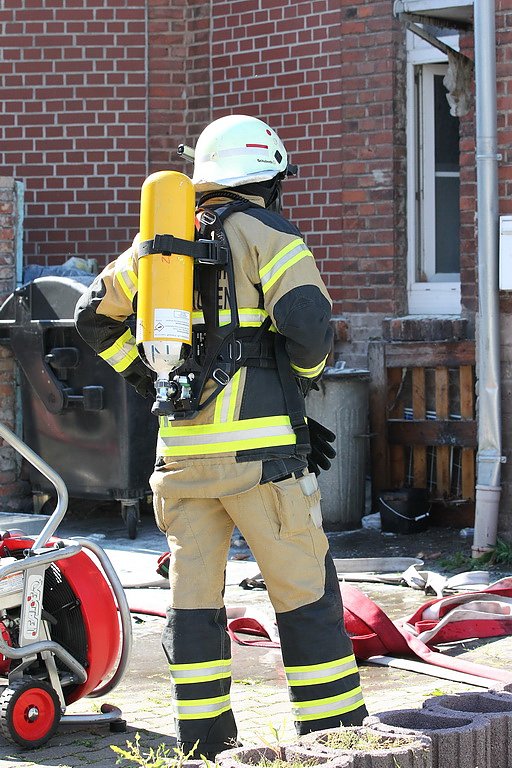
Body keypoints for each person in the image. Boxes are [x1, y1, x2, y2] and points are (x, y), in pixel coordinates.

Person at [74, 114, 367, 759]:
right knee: (304, 596)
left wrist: (153, 378)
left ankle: (204, 744)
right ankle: (336, 740)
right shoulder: (272, 234)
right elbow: (311, 329)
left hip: (180, 463)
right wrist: (303, 379)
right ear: (267, 177)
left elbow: (90, 314)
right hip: (262, 463)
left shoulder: (158, 246)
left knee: (193, 603)